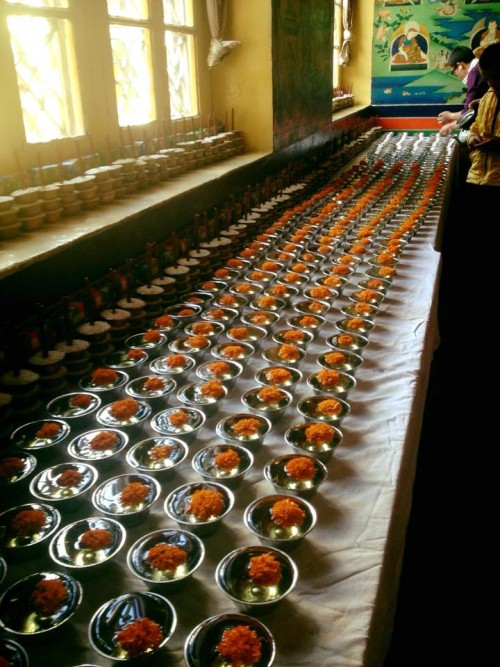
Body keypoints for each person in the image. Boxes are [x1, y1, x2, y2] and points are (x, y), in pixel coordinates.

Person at [465, 42, 500, 207]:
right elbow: (476, 128)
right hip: (477, 177)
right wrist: (472, 139)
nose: (490, 84)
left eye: (493, 78)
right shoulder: (488, 97)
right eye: (486, 79)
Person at [437, 46, 488, 136]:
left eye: (454, 72)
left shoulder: (474, 73)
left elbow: (469, 112)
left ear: (460, 66)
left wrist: (450, 120)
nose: (456, 75)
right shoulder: (479, 67)